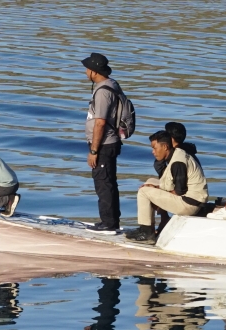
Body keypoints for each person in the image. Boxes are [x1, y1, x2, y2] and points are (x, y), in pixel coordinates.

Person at [127, 131, 208, 244]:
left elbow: (179, 191)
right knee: (150, 182)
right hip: (191, 198)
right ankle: (152, 226)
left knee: (143, 192)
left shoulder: (178, 162)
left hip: (189, 204)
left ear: (165, 147)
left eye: (155, 148)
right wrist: (154, 186)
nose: (153, 152)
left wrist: (155, 189)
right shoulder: (176, 153)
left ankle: (146, 232)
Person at [82, 53, 125, 234]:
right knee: (108, 182)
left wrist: (93, 150)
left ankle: (108, 224)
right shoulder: (111, 85)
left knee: (103, 183)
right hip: (110, 142)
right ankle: (111, 220)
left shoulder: (103, 92)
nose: (85, 72)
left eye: (87, 69)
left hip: (104, 144)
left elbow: (100, 122)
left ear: (94, 71)